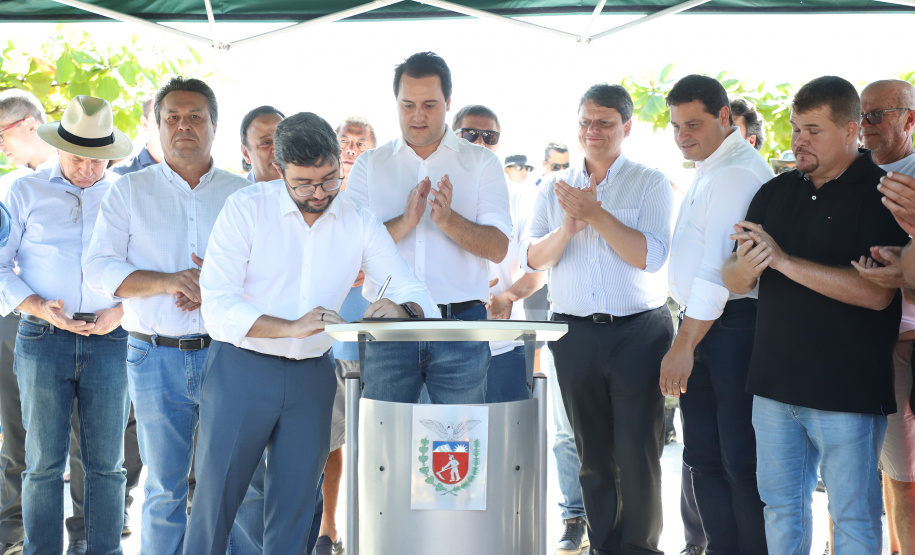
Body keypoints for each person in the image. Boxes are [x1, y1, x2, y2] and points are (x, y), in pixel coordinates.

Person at [184, 111, 437, 555]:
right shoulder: (246, 208)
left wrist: (404, 308)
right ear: (278, 168)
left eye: (329, 180)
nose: (319, 194)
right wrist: (290, 327)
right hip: (240, 371)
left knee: (298, 511)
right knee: (214, 504)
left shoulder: (358, 219)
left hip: (313, 376)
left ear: (339, 163)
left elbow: (410, 286)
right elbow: (218, 304)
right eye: (303, 184)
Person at [721, 75, 909, 554]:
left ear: (850, 131)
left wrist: (782, 261)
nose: (798, 140)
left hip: (846, 390)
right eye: (794, 128)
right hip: (773, 385)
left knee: (853, 517)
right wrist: (746, 267)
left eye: (812, 130)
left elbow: (876, 294)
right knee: (780, 509)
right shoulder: (775, 190)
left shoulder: (883, 192)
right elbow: (734, 280)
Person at [84, 76, 250, 555]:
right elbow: (98, 270)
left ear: (214, 125)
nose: (183, 126)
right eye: (172, 117)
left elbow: (264, 274)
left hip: (228, 354)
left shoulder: (242, 194)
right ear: (156, 127)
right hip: (154, 355)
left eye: (195, 116)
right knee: (164, 487)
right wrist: (168, 281)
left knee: (231, 482)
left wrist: (213, 289)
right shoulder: (128, 191)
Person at [522, 83, 674, 555]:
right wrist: (568, 228)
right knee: (591, 455)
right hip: (574, 334)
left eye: (604, 122)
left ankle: (640, 549)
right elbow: (533, 258)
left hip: (639, 332)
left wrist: (596, 215)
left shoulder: (649, 182)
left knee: (637, 451)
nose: (593, 131)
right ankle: (604, 546)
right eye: (586, 122)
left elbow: (651, 257)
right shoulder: (553, 187)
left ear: (626, 126)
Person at [0, 95, 134, 555]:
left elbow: (145, 268)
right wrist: (37, 306)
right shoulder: (23, 190)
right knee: (41, 464)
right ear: (58, 147)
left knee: (107, 465)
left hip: (111, 340)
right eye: (79, 158)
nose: (88, 169)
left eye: (99, 160)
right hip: (42, 338)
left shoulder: (125, 194)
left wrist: (120, 313)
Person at [346, 51, 510, 404]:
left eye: (429, 105)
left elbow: (498, 248)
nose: (417, 116)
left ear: (448, 103)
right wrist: (405, 221)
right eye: (408, 105)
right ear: (395, 103)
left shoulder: (482, 163)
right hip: (388, 327)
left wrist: (449, 221)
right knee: (386, 438)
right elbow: (350, 253)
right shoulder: (369, 165)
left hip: (461, 327)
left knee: (460, 439)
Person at [662, 75, 772, 555]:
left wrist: (682, 345)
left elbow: (716, 273)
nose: (682, 135)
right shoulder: (711, 166)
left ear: (725, 117)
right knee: (703, 458)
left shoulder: (735, 173)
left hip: (730, 328)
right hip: (707, 326)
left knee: (738, 462)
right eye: (676, 126)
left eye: (693, 124)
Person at [851, 78, 915, 555]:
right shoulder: (846, 172)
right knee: (857, 475)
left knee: (904, 478)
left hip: (905, 344)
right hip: (853, 341)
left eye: (877, 114)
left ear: (909, 119)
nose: (865, 124)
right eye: (861, 115)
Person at [452, 104, 545, 403]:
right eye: (470, 134)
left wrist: (507, 296)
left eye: (489, 137)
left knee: (507, 432)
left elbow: (538, 272)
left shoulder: (521, 197)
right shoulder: (436, 193)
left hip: (504, 342)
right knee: (446, 433)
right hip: (444, 347)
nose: (480, 142)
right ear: (451, 138)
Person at [315, 114, 378, 555]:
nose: (352, 148)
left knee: (378, 443)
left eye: (361, 142)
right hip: (330, 343)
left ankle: (373, 529)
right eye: (345, 141)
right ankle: (328, 528)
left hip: (378, 343)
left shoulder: (377, 198)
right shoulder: (319, 196)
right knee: (329, 444)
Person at [0, 89, 56, 555]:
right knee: (16, 433)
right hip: (12, 321)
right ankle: (12, 534)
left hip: (74, 323)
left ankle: (90, 529)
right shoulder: (6, 187)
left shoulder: (87, 173)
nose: (1, 147)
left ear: (28, 125)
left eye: (1, 134)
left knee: (80, 437)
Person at [112, 97, 163, 175]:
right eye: (159, 120)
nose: (167, 127)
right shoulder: (118, 174)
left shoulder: (183, 169)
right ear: (145, 123)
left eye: (173, 118)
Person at [240, 105, 284, 183]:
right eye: (266, 143)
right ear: (246, 153)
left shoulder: (307, 187)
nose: (278, 149)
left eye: (282, 140)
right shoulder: (236, 190)